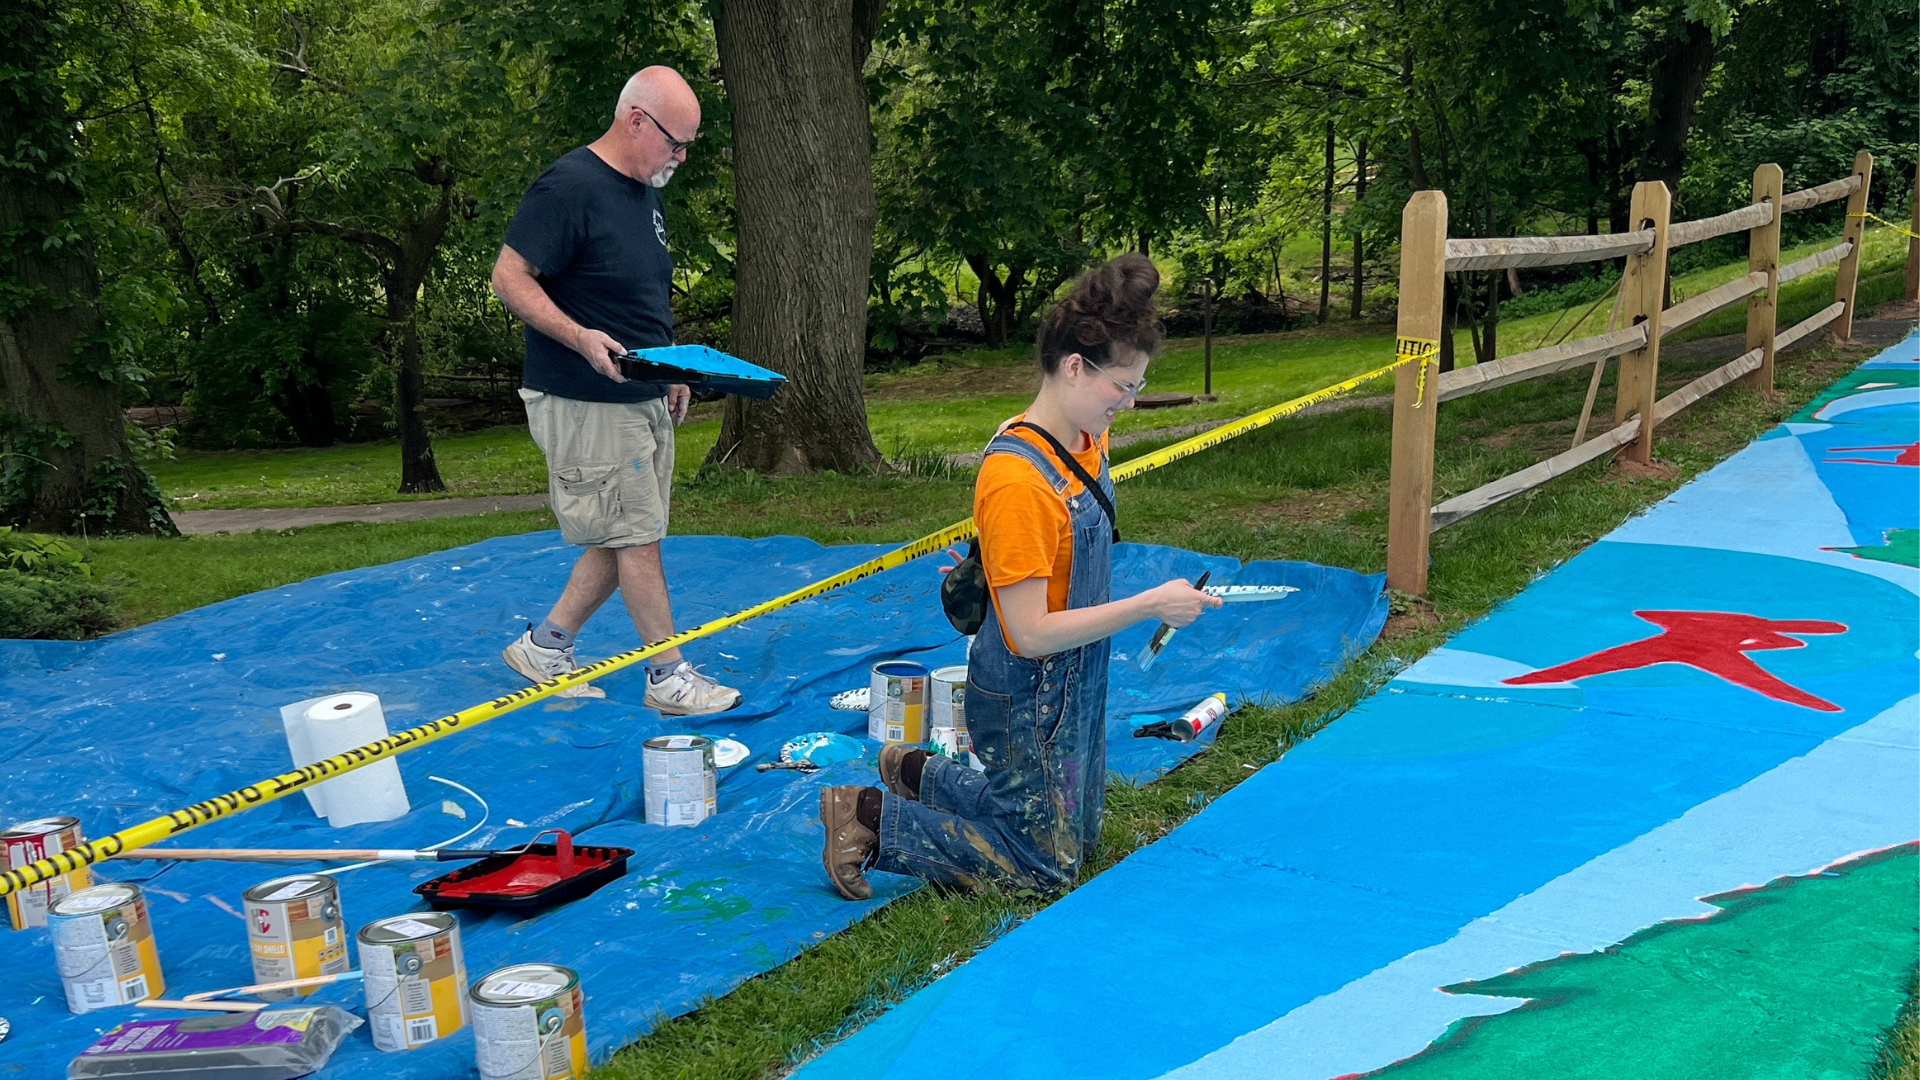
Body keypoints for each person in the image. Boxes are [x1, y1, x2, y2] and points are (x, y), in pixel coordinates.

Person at [820, 254, 1222, 898]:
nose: (1130, 401)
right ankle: (869, 817)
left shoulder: (1085, 435)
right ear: (1072, 368)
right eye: (1122, 385)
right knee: (1044, 868)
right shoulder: (1017, 476)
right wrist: (1150, 603)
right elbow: (1031, 633)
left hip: (1077, 674)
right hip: (1027, 692)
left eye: (1136, 385)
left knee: (1079, 839)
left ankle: (918, 774)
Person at [489, 66, 740, 715]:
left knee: (625, 530)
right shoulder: (570, 185)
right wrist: (578, 337)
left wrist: (670, 368)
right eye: (675, 142)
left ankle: (545, 646)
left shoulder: (641, 194)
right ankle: (669, 675)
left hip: (638, 394)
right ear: (635, 120)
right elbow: (508, 277)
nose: (681, 157)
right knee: (636, 537)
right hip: (582, 397)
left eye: (688, 146)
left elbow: (633, 295)